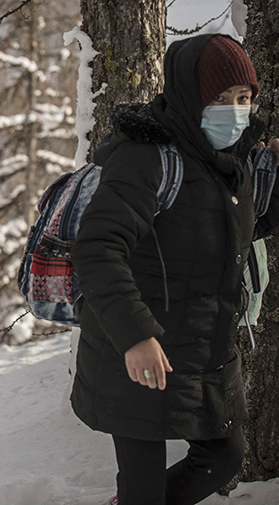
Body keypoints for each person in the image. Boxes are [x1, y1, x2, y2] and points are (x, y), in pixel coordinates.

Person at [70, 34, 279, 505]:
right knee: (143, 491)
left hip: (199, 352)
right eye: (220, 99)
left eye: (243, 98)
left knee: (223, 458)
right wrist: (136, 336)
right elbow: (99, 248)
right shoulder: (146, 157)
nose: (234, 110)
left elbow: (237, 232)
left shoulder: (232, 161)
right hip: (134, 353)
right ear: (188, 95)